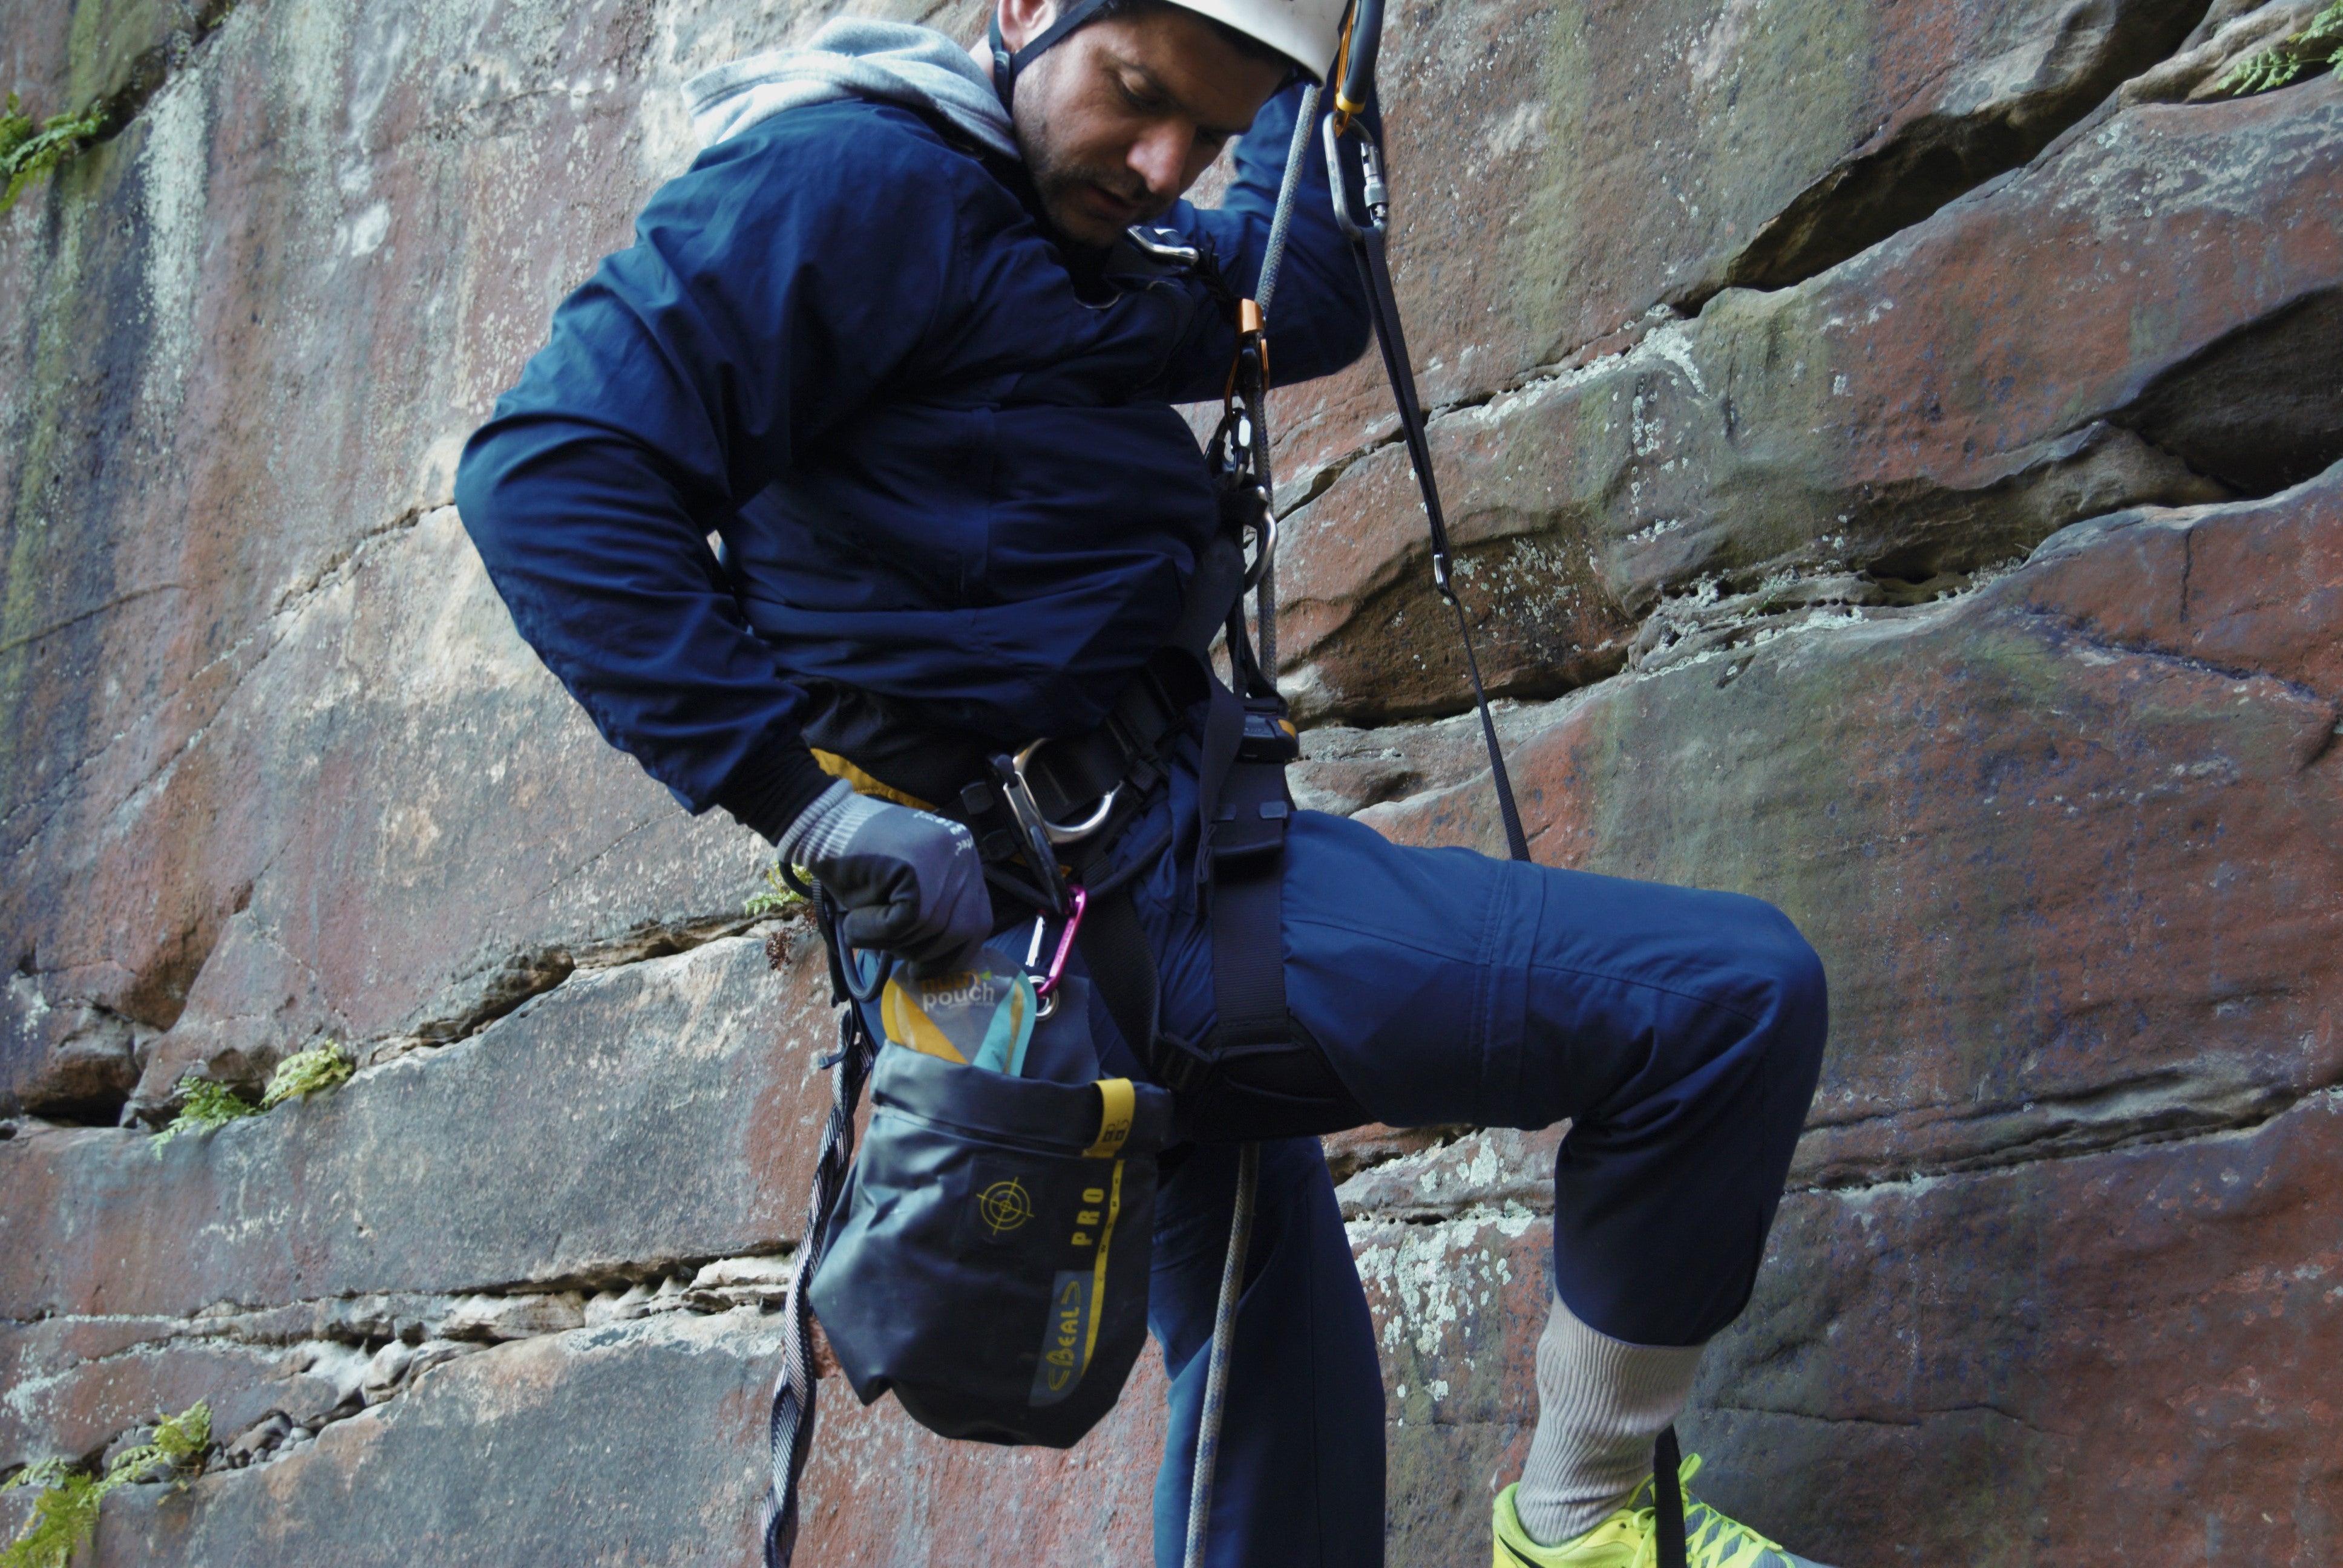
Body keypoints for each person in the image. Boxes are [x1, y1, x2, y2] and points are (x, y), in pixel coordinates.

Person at [454, 0, 1836, 1563]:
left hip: (1146, 881)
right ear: (1027, 12)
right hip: (1089, 914)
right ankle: (1588, 1526)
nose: (1167, 165)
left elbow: (1290, 304)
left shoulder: (1070, 229)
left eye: (1218, 135)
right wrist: (807, 803)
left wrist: (1334, 96)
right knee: (1724, 998)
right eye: (1135, 94)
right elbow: (550, 472)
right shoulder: (850, 185)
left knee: (1280, 1428)